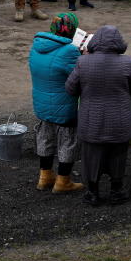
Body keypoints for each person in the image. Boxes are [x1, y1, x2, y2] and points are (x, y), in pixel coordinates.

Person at [66, 25, 131, 207]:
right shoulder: (127, 62)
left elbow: (70, 89)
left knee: (91, 157)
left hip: (91, 121)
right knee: (118, 156)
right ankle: (117, 191)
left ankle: (92, 193)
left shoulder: (83, 62)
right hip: (120, 121)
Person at [28, 12, 84, 194]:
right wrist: (83, 56)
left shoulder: (36, 46)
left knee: (45, 136)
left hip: (41, 103)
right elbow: (78, 75)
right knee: (68, 140)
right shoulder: (69, 50)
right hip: (64, 106)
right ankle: (63, 181)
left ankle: (45, 177)